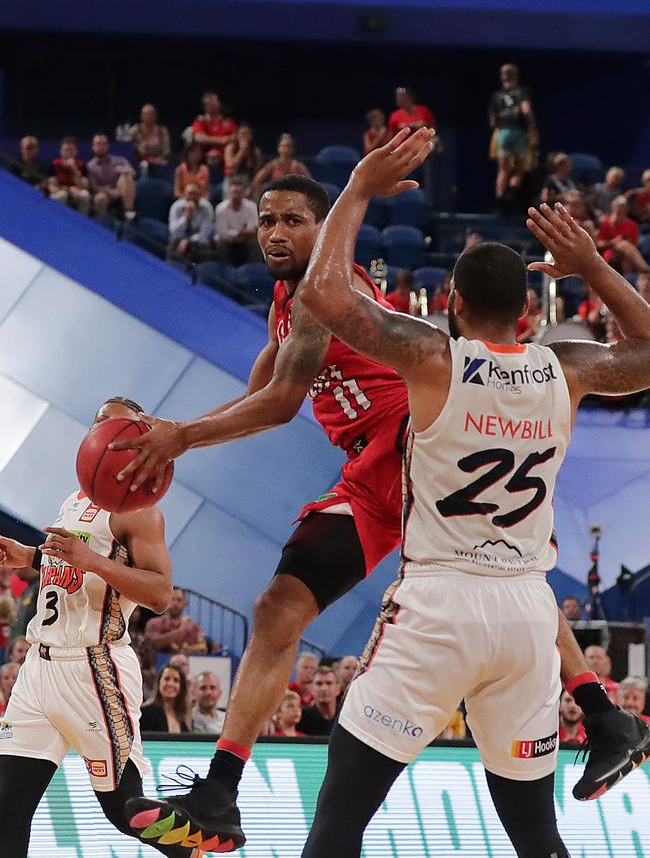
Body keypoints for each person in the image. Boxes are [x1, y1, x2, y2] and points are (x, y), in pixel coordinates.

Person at [121, 167, 644, 852]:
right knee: (495, 575)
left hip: (403, 448)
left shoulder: (339, 308)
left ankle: (222, 788)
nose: (276, 232)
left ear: (453, 303)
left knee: (301, 613)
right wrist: (185, 435)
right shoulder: (289, 305)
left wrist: (181, 436)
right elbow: (261, 397)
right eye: (266, 220)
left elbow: (282, 402)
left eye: (294, 220)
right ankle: (604, 713)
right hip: (406, 489)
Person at [288, 129, 650, 858]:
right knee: (535, 833)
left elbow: (324, 294)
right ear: (527, 308)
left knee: (339, 817)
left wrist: (358, 184)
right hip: (526, 614)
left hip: (440, 604)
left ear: (451, 302)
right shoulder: (565, 367)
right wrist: (592, 265)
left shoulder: (433, 359)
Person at [0, 397, 199, 858]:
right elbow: (69, 569)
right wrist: (28, 556)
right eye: (98, 425)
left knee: (124, 810)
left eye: (115, 427)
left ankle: (195, 846)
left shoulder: (139, 510)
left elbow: (160, 594)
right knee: (8, 805)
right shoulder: (74, 498)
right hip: (38, 668)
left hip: (94, 668)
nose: (101, 434)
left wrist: (92, 560)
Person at [489, 63, 537, 206]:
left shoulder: (497, 96)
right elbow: (526, 110)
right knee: (519, 168)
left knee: (503, 168)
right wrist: (533, 128)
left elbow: (492, 121)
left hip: (503, 132)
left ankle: (500, 198)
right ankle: (512, 191)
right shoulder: (522, 92)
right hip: (519, 132)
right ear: (515, 76)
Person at [86, 133, 136, 220]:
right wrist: (109, 191)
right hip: (103, 192)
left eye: (103, 144)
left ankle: (128, 212)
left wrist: (123, 170)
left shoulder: (119, 160)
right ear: (93, 147)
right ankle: (101, 225)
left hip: (121, 190)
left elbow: (133, 172)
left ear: (107, 146)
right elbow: (93, 187)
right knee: (100, 198)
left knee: (126, 175)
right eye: (98, 144)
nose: (100, 147)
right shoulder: (90, 166)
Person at [597, 196, 650, 275]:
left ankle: (628, 280)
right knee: (623, 244)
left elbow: (634, 245)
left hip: (626, 254)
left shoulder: (632, 225)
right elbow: (599, 244)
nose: (620, 214)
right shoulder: (606, 223)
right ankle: (645, 269)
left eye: (623, 212)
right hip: (610, 252)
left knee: (626, 250)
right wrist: (613, 242)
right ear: (613, 210)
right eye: (618, 211)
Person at [145, 587, 207, 654]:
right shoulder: (154, 623)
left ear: (185, 604)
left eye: (179, 600)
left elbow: (202, 649)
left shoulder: (193, 626)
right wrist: (181, 630)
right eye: (171, 599)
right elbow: (153, 644)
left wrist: (183, 650)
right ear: (165, 602)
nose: (175, 603)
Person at [213, 178, 260, 266]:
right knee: (221, 244)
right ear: (229, 193)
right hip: (227, 240)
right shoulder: (220, 209)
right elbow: (222, 233)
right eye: (234, 192)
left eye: (239, 192)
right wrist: (240, 232)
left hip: (245, 239)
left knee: (254, 243)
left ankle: (254, 270)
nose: (236, 195)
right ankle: (223, 270)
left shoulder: (251, 206)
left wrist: (233, 233)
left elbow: (253, 230)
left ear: (244, 193)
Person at [167, 182, 215, 263]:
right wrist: (185, 217)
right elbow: (173, 231)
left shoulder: (207, 208)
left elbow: (204, 234)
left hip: (198, 241)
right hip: (179, 240)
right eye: (189, 193)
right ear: (184, 195)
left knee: (205, 245)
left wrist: (188, 241)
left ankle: (204, 272)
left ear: (200, 195)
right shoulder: (176, 207)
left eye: (195, 194)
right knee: (173, 243)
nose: (192, 197)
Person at [252, 134, 310, 198]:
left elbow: (310, 182)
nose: (286, 149)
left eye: (289, 146)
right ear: (279, 148)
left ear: (292, 149)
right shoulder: (272, 165)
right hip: (277, 199)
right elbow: (257, 180)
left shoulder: (298, 166)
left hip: (293, 200)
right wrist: (262, 199)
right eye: (284, 146)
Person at [140, 664, 191, 733]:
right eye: (167, 679)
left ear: (181, 687)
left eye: (176, 680)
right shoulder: (145, 712)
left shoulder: (182, 717)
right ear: (159, 682)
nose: (170, 684)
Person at [191, 91, 236, 165]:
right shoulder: (200, 121)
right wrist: (221, 140)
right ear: (205, 106)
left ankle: (229, 171)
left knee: (231, 146)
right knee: (196, 147)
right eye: (209, 103)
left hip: (225, 154)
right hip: (204, 154)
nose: (213, 105)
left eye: (214, 101)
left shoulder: (228, 121)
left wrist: (227, 140)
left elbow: (234, 136)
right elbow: (198, 137)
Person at [48, 136, 91, 214]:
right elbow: (52, 188)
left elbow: (84, 187)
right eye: (66, 150)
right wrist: (67, 189)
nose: (68, 153)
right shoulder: (55, 164)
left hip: (76, 193)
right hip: (61, 192)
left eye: (71, 150)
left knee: (85, 195)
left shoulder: (81, 165)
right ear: (61, 151)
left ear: (75, 152)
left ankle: (82, 223)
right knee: (62, 195)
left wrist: (74, 169)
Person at [298, 666, 339, 737]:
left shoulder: (345, 717)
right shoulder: (301, 718)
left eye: (329, 683)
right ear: (311, 689)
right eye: (319, 684)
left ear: (338, 689)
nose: (324, 688)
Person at [223, 122, 262, 195]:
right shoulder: (230, 148)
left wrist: (251, 188)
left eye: (247, 134)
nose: (245, 136)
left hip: (248, 180)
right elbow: (229, 165)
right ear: (237, 135)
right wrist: (241, 151)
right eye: (242, 134)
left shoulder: (255, 151)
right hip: (232, 179)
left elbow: (257, 172)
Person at [131, 103, 171, 168]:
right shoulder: (135, 129)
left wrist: (159, 159)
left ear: (155, 115)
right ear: (141, 116)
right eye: (146, 114)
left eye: (151, 113)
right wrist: (138, 149)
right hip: (139, 162)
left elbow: (166, 151)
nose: (149, 116)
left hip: (158, 162)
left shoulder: (162, 131)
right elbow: (128, 146)